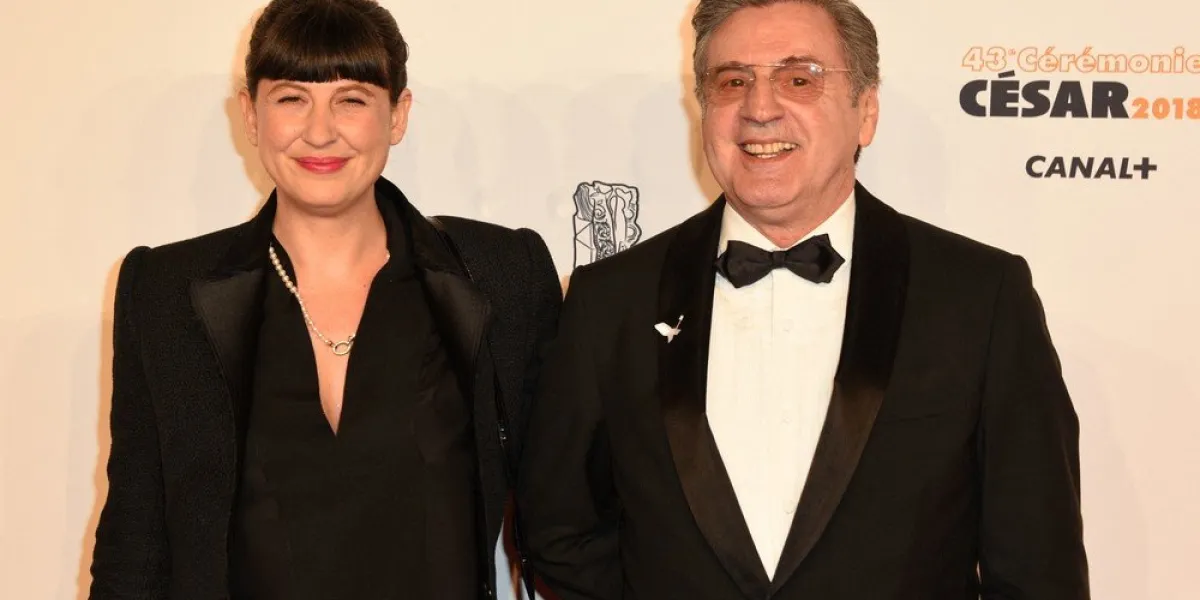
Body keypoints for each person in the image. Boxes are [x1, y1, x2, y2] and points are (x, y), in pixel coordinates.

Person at [517, 0, 1090, 598]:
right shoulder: (609, 300)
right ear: (703, 108)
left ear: (865, 112)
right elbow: (558, 529)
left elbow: (1037, 563)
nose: (760, 109)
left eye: (799, 79)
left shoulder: (980, 296)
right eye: (733, 81)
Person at [88, 1, 560, 598]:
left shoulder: (500, 274)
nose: (319, 131)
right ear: (251, 115)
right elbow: (136, 534)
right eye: (291, 98)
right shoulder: (163, 291)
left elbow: (562, 508)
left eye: (352, 99)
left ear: (398, 115)